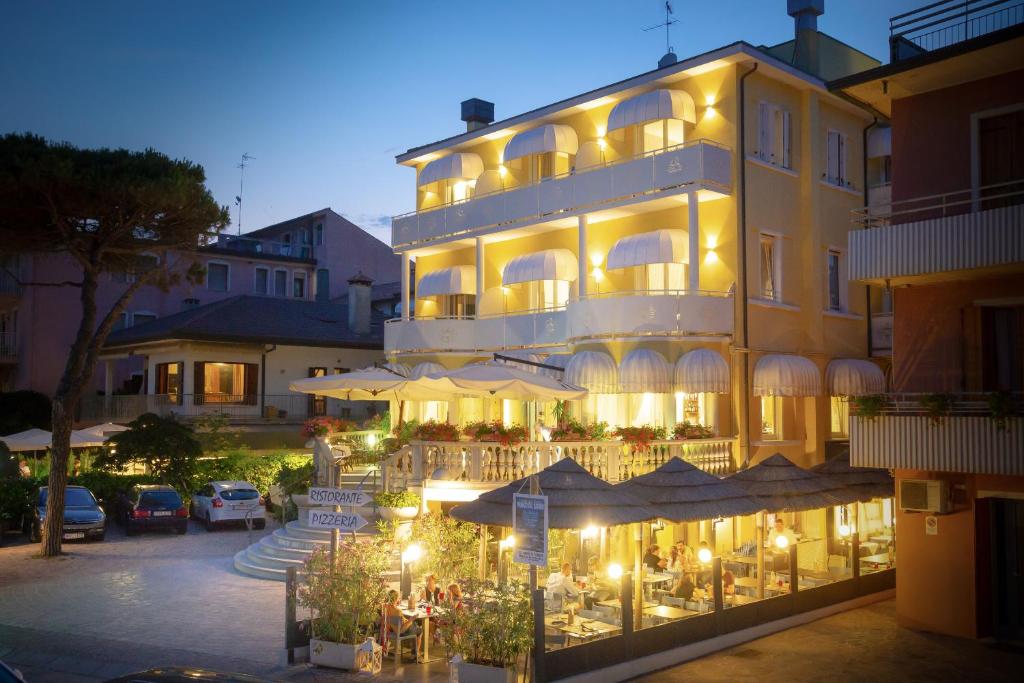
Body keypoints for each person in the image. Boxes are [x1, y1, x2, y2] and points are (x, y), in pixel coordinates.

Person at [384, 589, 421, 658]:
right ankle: (416, 653)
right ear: (396, 599)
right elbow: (401, 630)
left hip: (388, 631)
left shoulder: (384, 607)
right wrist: (411, 619)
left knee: (415, 625)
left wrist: (408, 620)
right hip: (399, 632)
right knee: (419, 630)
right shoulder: (398, 611)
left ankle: (413, 651)